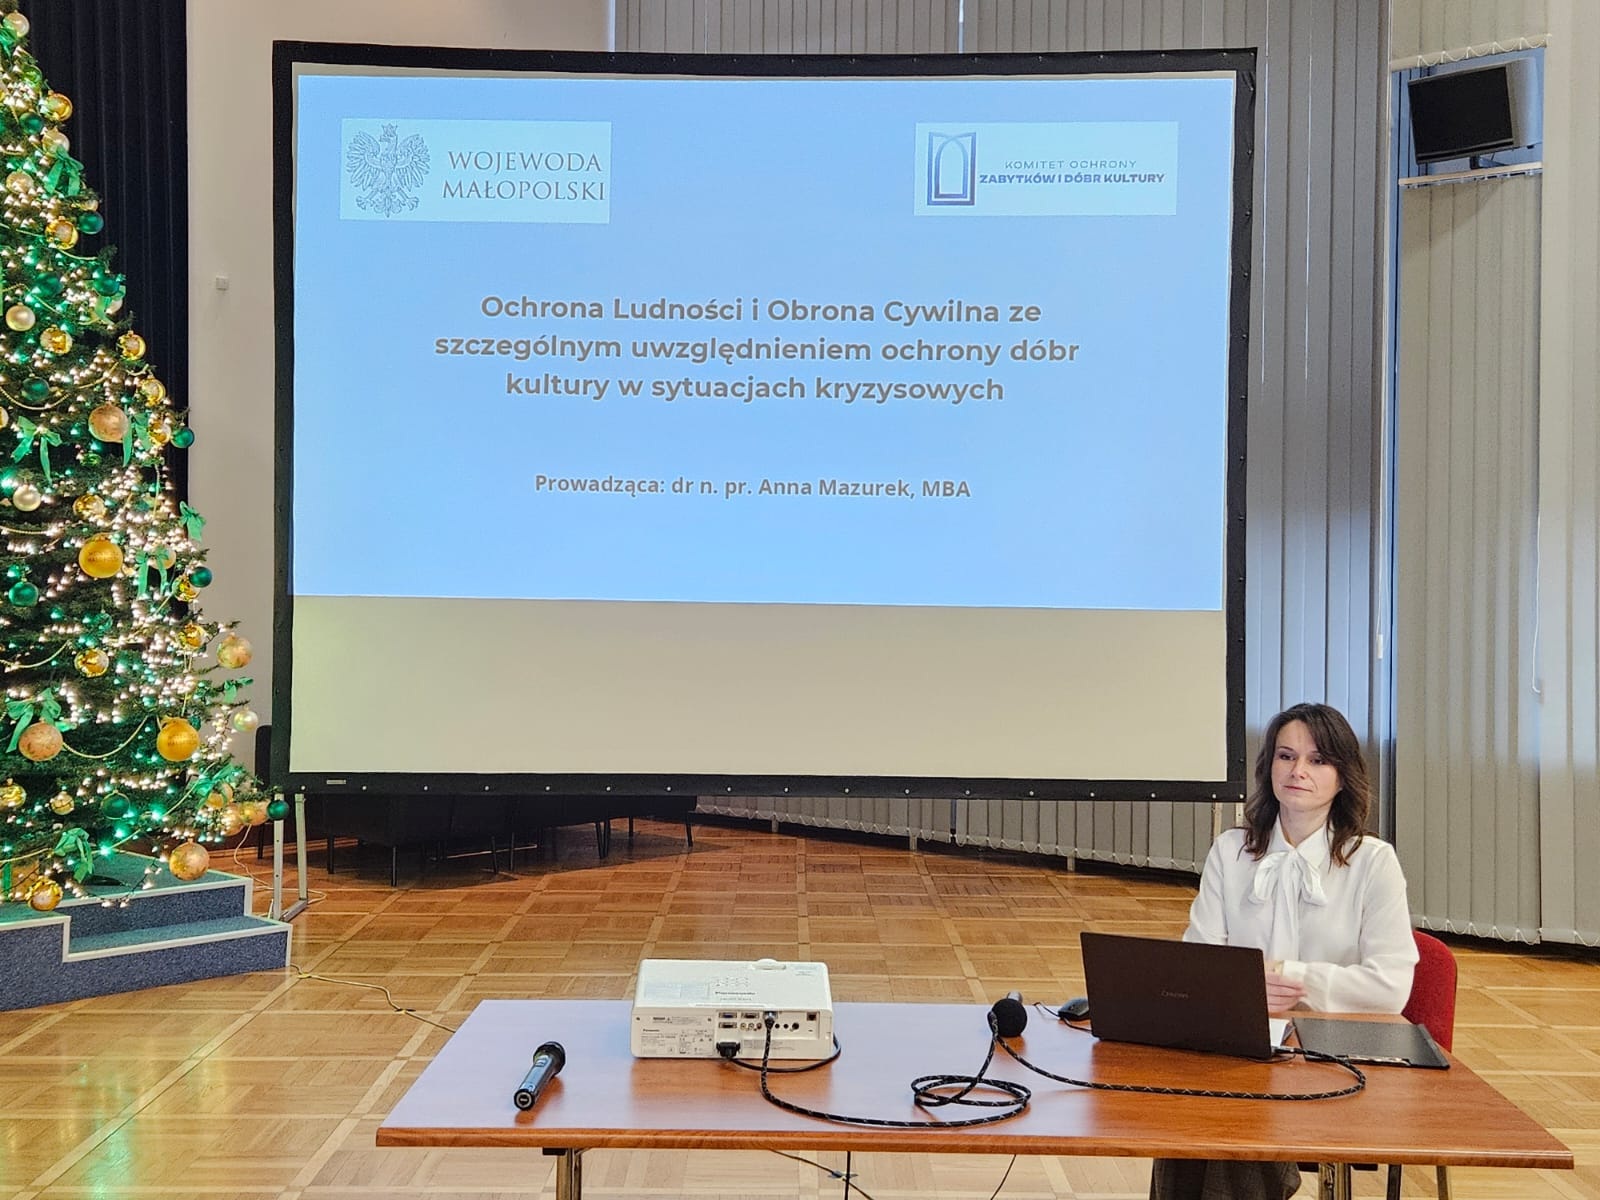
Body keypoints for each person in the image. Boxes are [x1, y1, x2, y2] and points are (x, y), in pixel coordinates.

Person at [1149, 701, 1419, 1200]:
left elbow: (1391, 987)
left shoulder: (1373, 862)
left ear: (1343, 776)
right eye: (1286, 756)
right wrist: (1246, 994)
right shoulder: (1230, 852)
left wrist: (1289, 978)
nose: (1298, 771)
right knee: (1192, 1100)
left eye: (1318, 760)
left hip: (1337, 1053)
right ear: (1268, 766)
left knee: (1237, 1115)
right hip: (1245, 1044)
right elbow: (1196, 967)